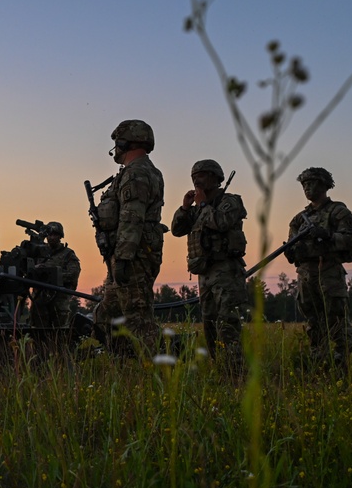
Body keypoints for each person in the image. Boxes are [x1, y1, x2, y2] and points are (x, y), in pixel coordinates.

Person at [92, 119, 166, 356]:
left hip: (134, 257)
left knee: (138, 319)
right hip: (129, 255)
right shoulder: (136, 172)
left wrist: (123, 258)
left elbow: (131, 218)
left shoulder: (137, 174)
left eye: (118, 142)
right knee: (108, 316)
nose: (116, 147)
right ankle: (124, 364)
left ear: (127, 142)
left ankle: (161, 373)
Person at [170, 159, 248, 375]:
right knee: (210, 325)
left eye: (202, 174)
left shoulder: (230, 201)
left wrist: (203, 205)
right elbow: (176, 229)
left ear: (215, 177)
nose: (197, 179)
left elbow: (221, 223)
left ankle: (236, 373)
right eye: (194, 175)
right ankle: (221, 369)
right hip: (204, 274)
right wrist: (185, 208)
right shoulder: (196, 209)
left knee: (227, 323)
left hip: (226, 271)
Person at [284, 167, 352, 370]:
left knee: (337, 321)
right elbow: (292, 245)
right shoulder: (299, 219)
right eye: (304, 184)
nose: (307, 187)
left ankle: (346, 364)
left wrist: (327, 235)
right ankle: (319, 363)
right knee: (314, 322)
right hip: (306, 275)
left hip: (329, 272)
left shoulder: (338, 212)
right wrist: (292, 252)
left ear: (324, 185)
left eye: (312, 182)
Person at [29, 221, 81, 329]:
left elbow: (73, 274)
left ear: (60, 236)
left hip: (59, 299)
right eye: (49, 235)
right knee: (38, 331)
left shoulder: (67, 254)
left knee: (59, 331)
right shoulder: (39, 252)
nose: (51, 238)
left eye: (55, 235)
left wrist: (53, 275)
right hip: (40, 298)